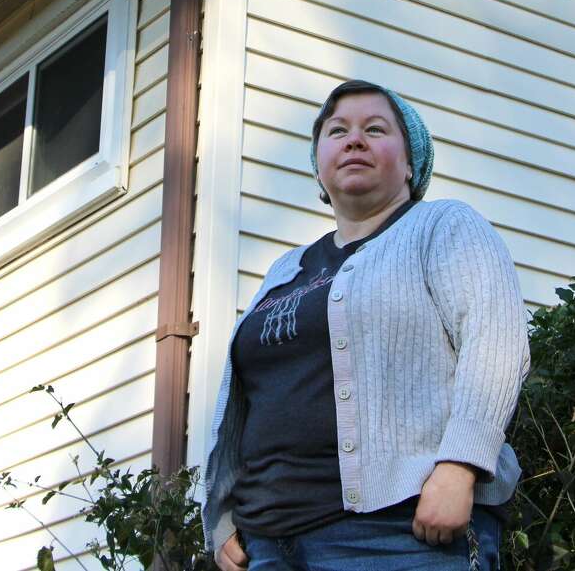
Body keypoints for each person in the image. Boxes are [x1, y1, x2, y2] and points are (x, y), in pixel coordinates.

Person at [203, 80, 529, 571]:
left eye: (375, 129)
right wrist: (223, 516)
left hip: (397, 535)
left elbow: (496, 343)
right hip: (267, 544)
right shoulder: (284, 270)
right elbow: (249, 396)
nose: (354, 140)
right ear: (319, 167)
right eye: (337, 131)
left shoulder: (443, 226)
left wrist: (461, 465)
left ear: (411, 162)